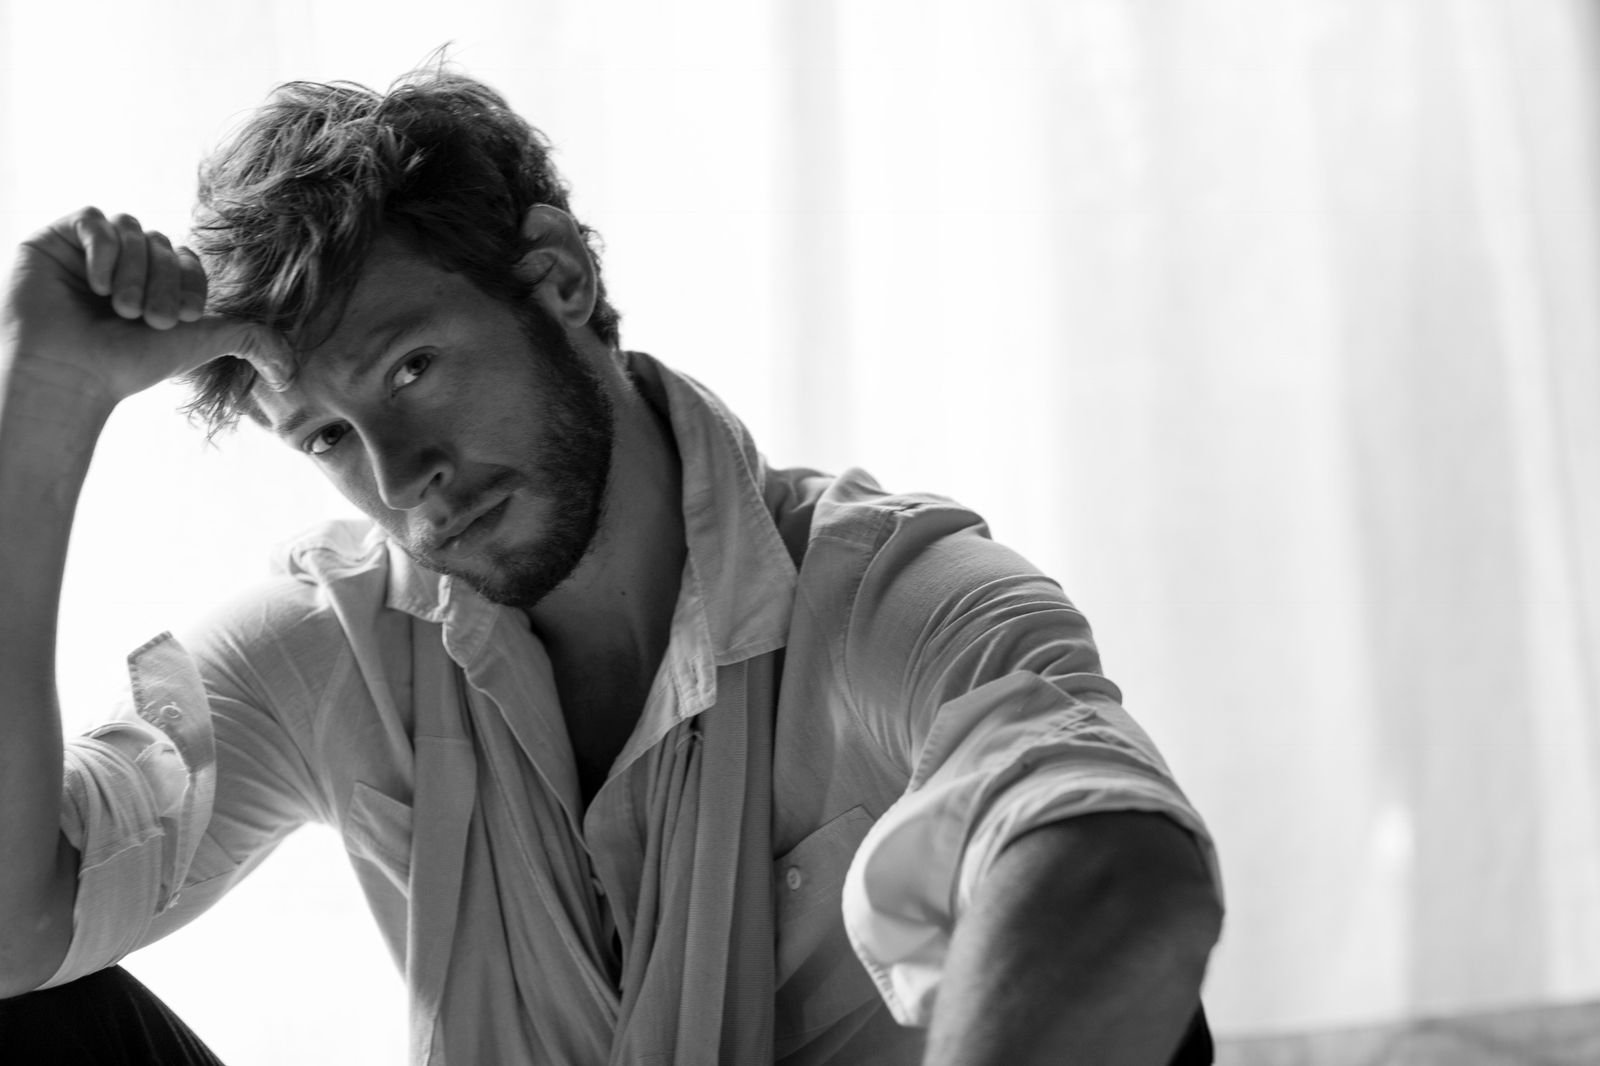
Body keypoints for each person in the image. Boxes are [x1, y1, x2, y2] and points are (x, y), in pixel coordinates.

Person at [0, 68, 1223, 1065]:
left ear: (561, 279)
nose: (400, 475)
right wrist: (44, 405)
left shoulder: (888, 595)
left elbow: (1116, 860)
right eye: (327, 436)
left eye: (412, 368)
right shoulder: (334, 640)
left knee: (1118, 960)